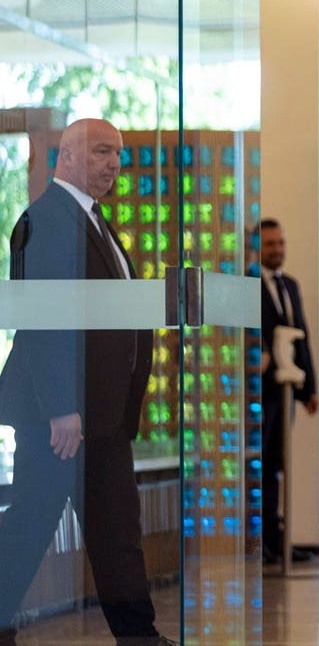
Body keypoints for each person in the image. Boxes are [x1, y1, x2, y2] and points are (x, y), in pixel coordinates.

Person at [0, 119, 174, 645]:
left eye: (117, 154)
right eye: (102, 151)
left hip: (102, 416)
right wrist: (61, 407)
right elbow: (43, 321)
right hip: (62, 418)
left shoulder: (97, 221)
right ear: (67, 157)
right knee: (31, 526)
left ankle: (138, 636)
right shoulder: (46, 220)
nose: (114, 163)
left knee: (117, 533)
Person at [258, 218, 318, 564]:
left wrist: (308, 388)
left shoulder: (290, 286)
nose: (278, 250)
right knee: (261, 466)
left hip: (285, 393)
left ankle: (278, 540)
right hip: (261, 393)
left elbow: (302, 338)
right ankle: (261, 542)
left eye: (281, 243)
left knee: (278, 464)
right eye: (270, 245)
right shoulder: (249, 286)